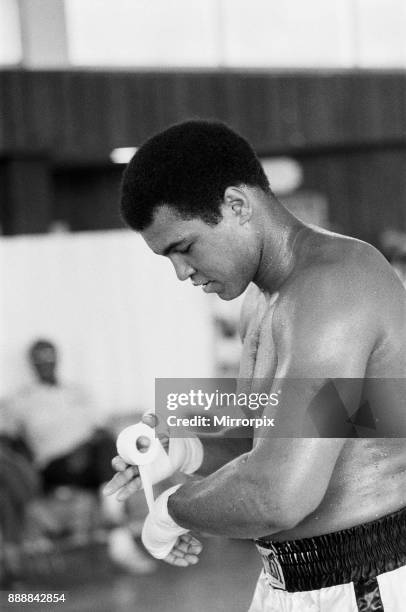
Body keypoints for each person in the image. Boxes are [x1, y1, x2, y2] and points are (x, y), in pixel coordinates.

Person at [104, 120, 406, 611]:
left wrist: (169, 510)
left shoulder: (334, 286)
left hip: (365, 583)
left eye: (184, 248)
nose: (181, 273)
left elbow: (278, 493)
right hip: (289, 582)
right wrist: (182, 452)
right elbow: (275, 439)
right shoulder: (262, 303)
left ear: (237, 205)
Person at [2, 339, 155, 574]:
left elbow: (100, 427)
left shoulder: (78, 391)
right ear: (32, 363)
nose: (46, 362)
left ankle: (116, 531)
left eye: (50, 356)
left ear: (57, 358)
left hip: (93, 455)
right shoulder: (21, 401)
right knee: (106, 457)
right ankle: (119, 539)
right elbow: (6, 438)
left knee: (107, 446)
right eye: (40, 358)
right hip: (55, 464)